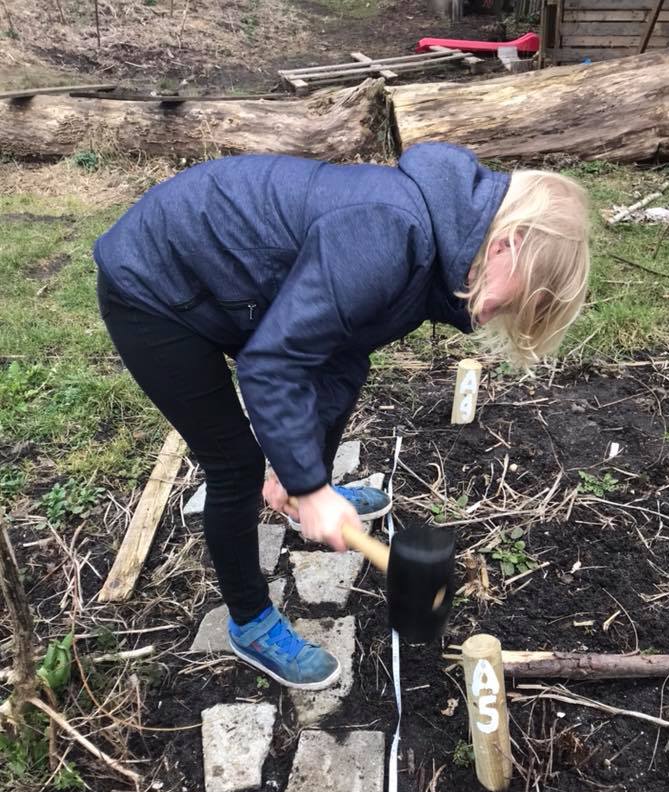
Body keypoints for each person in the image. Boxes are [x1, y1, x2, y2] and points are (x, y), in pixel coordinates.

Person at [94, 142, 590, 691]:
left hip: (228, 285)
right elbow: (271, 366)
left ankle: (311, 494)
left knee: (313, 420)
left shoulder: (427, 256)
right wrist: (308, 488)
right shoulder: (388, 234)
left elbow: (339, 356)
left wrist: (301, 472)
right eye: (516, 300)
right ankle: (250, 622)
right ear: (506, 245)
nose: (498, 314)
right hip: (154, 286)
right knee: (235, 465)